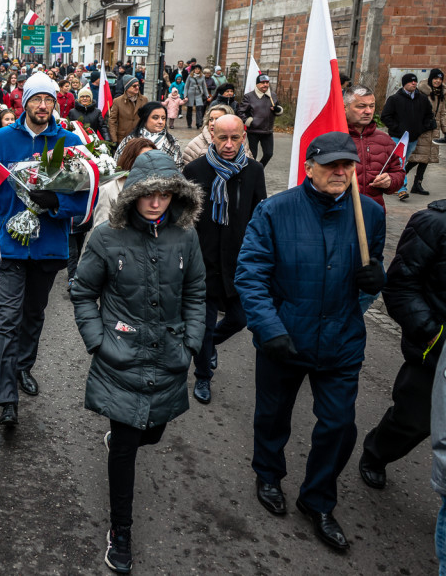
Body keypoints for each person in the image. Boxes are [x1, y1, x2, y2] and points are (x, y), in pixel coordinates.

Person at [235, 131, 386, 551]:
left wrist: (375, 281)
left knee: (339, 425)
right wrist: (271, 329)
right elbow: (250, 275)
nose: (341, 172)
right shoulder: (275, 211)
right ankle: (268, 474)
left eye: (348, 166)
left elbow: (371, 270)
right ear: (308, 167)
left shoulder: (368, 213)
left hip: (341, 340)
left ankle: (318, 499)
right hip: (286, 337)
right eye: (331, 165)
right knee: (272, 416)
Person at [71, 150, 205, 574]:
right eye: (148, 195)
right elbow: (82, 292)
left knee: (153, 432)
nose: (155, 203)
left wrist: (191, 345)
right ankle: (121, 530)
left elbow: (197, 293)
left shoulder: (185, 237)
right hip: (121, 357)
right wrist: (99, 343)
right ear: (133, 196)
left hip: (168, 358)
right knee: (127, 445)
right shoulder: (107, 237)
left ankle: (123, 441)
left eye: (165, 195)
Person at [0, 72, 91, 425]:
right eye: (36, 99)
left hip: (49, 245)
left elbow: (84, 199)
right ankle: (7, 398)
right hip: (11, 245)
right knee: (8, 318)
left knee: (33, 315)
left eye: (49, 100)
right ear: (24, 102)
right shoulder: (0, 140)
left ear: (56, 104)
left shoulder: (70, 141)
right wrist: (10, 214)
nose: (43, 106)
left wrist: (55, 202)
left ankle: (23, 367)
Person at [360, 199, 446, 493]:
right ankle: (376, 453)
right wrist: (432, 334)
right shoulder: (433, 223)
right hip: (435, 352)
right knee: (413, 421)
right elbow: (399, 287)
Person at [183, 114, 266, 405]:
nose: (228, 144)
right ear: (212, 135)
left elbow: (260, 215)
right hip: (203, 263)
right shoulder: (194, 169)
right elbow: (185, 220)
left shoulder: (254, 170)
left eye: (235, 138)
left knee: (239, 319)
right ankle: (203, 375)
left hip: (238, 263)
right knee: (203, 326)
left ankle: (209, 345)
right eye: (222, 137)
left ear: (244, 137)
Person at [344, 85, 405, 210]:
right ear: (345, 107)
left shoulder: (385, 141)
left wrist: (391, 181)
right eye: (361, 106)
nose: (368, 111)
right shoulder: (332, 137)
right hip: (338, 215)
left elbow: (398, 173)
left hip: (373, 213)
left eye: (371, 106)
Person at [115, 102, 183, 169]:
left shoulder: (172, 142)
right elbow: (117, 164)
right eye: (155, 118)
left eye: (163, 118)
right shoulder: (130, 140)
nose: (160, 122)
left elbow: (178, 168)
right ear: (145, 119)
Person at [406, 71, 443, 195]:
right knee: (416, 158)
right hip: (422, 129)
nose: (437, 81)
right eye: (435, 78)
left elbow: (443, 113)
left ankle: (417, 184)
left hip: (433, 130)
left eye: (440, 79)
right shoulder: (421, 92)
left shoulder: (442, 94)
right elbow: (414, 110)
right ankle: (397, 178)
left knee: (426, 158)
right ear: (431, 79)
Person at [236, 74, 283, 167]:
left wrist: (278, 109)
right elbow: (240, 112)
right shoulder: (249, 96)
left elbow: (277, 107)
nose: (265, 85)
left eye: (267, 82)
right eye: (262, 83)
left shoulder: (272, 95)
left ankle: (259, 168)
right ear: (257, 84)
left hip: (268, 130)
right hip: (254, 131)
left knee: (269, 154)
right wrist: (250, 121)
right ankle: (251, 173)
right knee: (253, 155)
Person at [108, 75, 148, 144]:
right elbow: (112, 121)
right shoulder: (117, 101)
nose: (137, 87)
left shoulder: (144, 100)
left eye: (138, 85)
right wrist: (114, 139)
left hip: (139, 138)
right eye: (134, 86)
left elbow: (147, 118)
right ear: (127, 87)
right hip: (123, 139)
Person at [183, 65, 208, 130]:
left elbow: (204, 86)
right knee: (189, 109)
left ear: (200, 70)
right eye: (196, 69)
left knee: (199, 108)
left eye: (198, 69)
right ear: (193, 70)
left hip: (198, 93)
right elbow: (186, 86)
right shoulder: (190, 76)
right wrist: (185, 96)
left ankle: (198, 123)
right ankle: (189, 123)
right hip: (190, 93)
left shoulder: (202, 76)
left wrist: (207, 95)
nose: (197, 70)